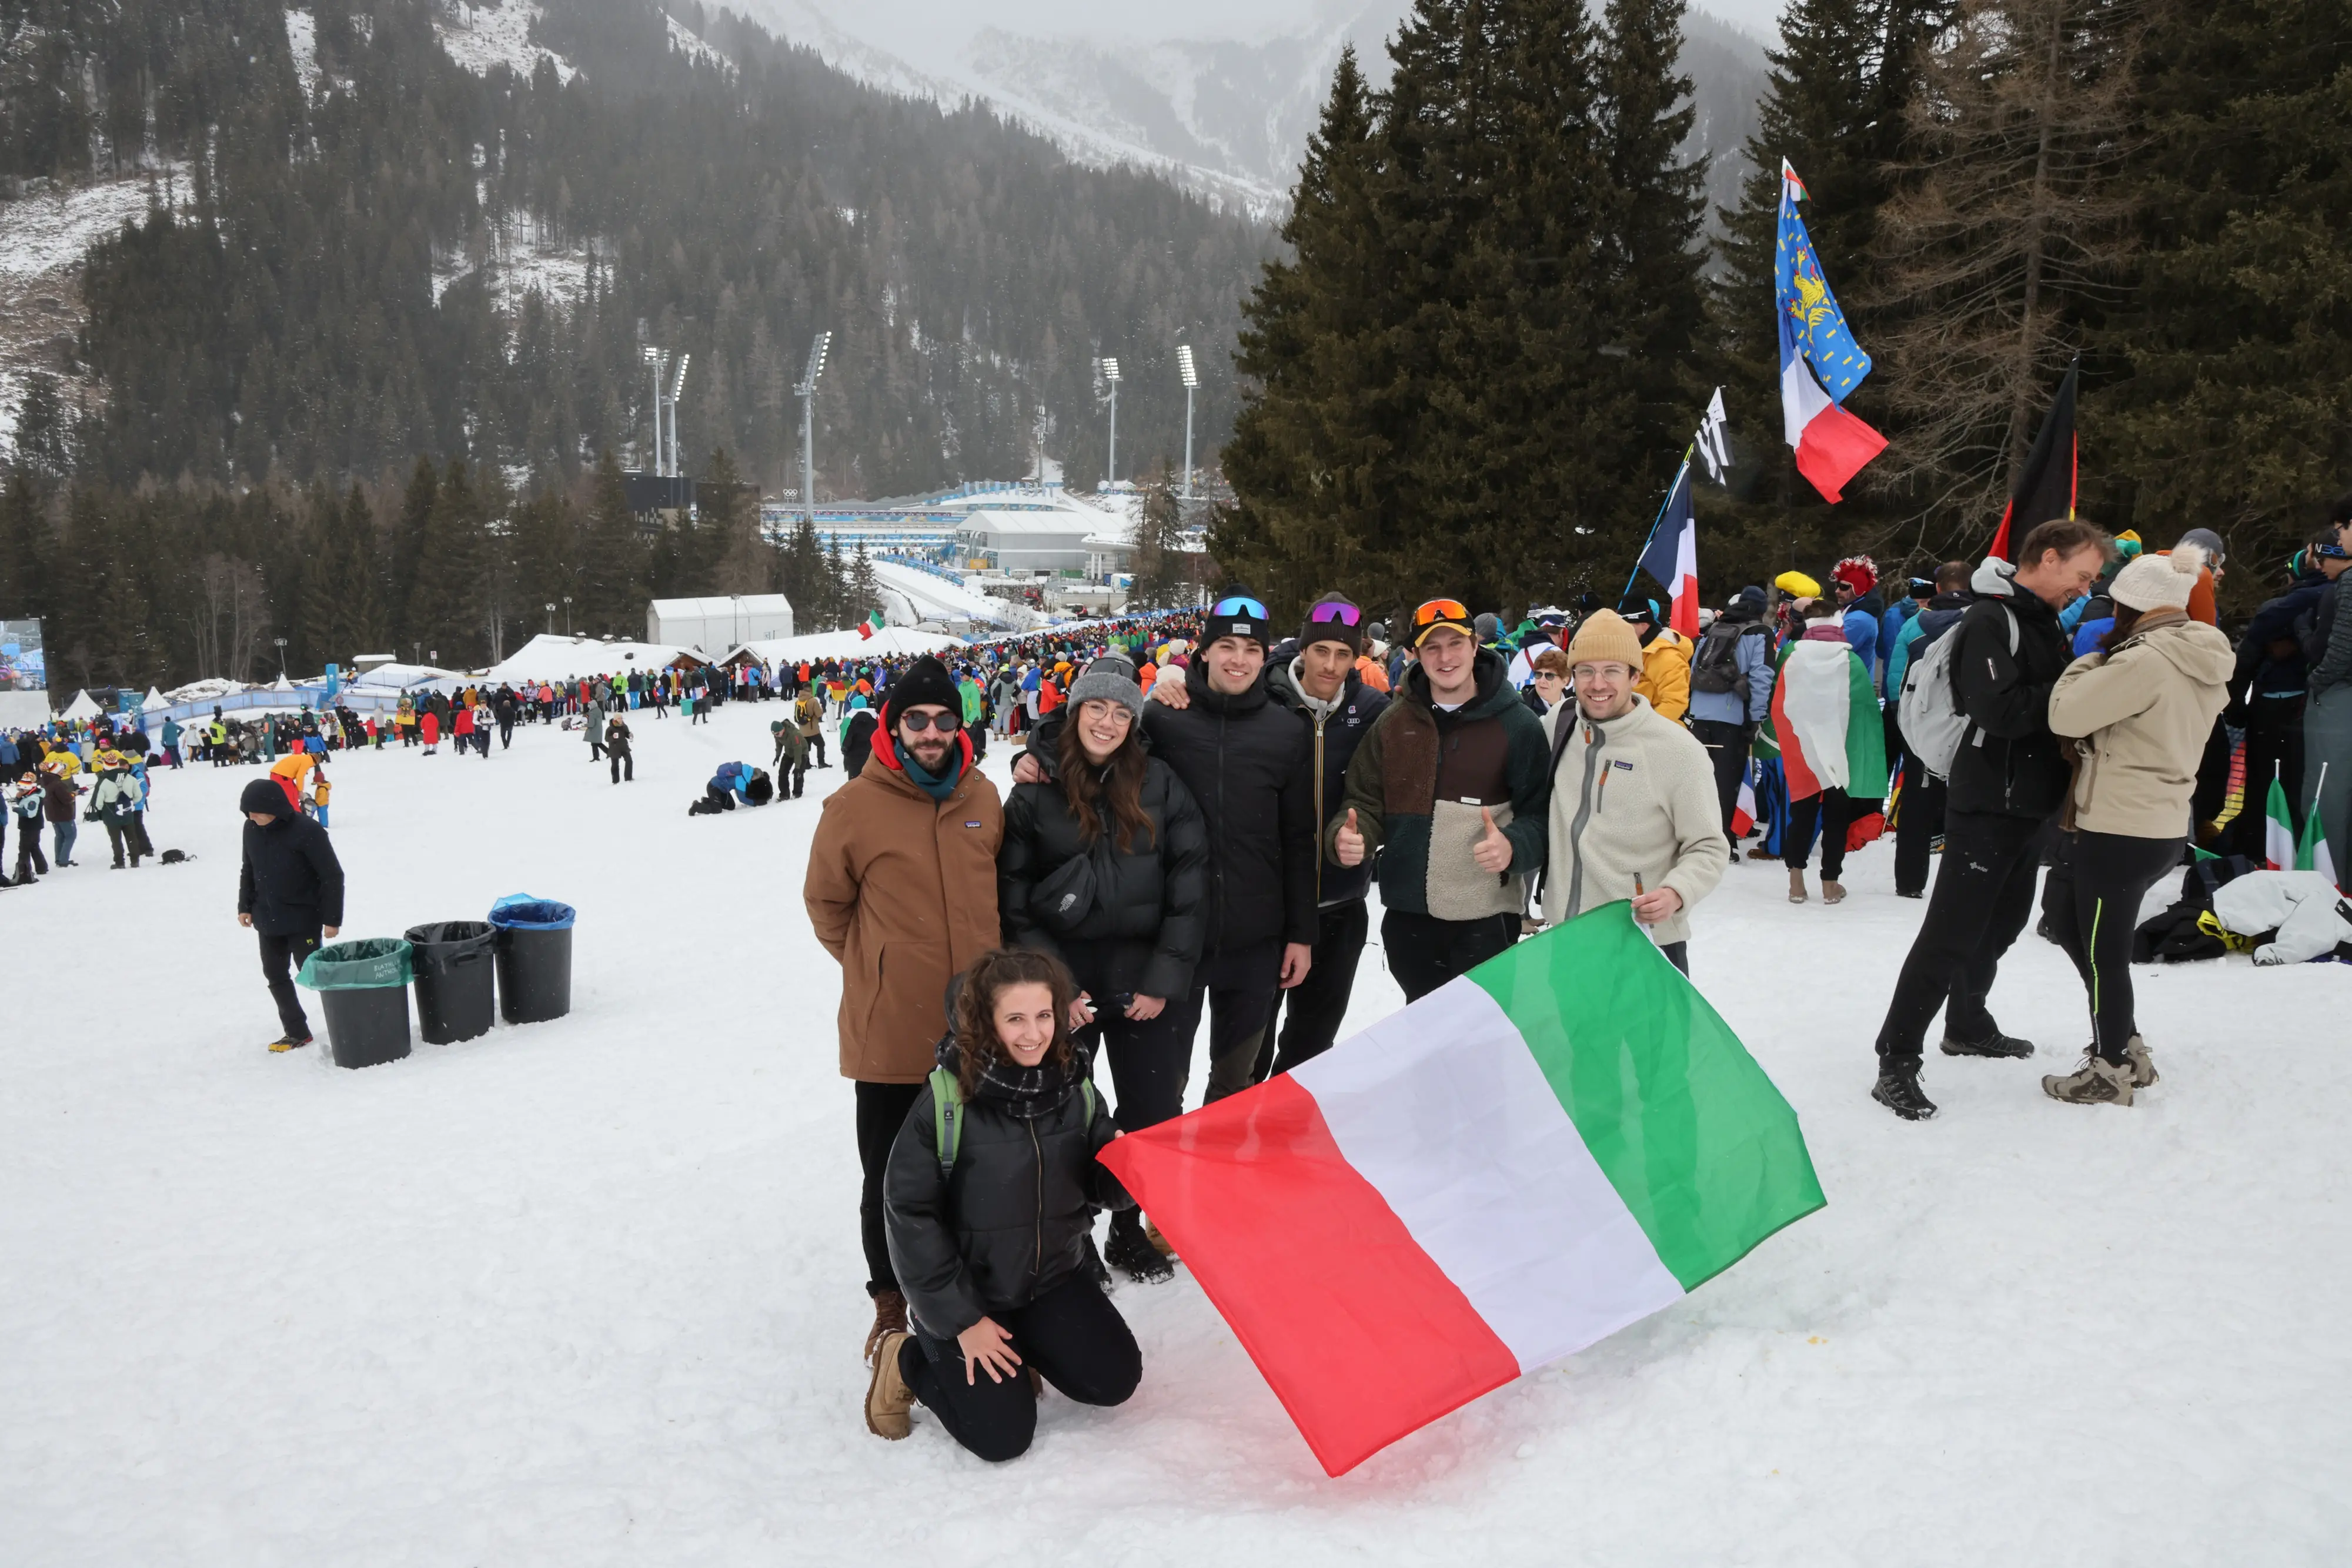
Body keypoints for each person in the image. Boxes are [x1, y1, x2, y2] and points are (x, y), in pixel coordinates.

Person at [1870, 519, 2113, 1121]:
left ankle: (1967, 1021)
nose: (2083, 589)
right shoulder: (1989, 618)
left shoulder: (2041, 618)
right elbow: (1997, 709)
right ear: (2048, 558)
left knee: (2002, 923)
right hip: (1986, 801)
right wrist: (2074, 686)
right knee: (1948, 935)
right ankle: (1895, 1059)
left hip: (2027, 802)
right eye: (2080, 575)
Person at [805, 655, 1005, 1368]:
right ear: (893, 725)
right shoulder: (854, 807)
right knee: (890, 1174)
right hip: (892, 1028)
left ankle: (969, 1285)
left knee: (976, 1167)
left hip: (978, 1029)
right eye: (915, 719)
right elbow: (827, 905)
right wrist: (874, 968)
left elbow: (1002, 896)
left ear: (960, 725)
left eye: (943, 719)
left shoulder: (983, 795)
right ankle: (890, 1299)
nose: (930, 731)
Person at [866, 948, 1142, 1456]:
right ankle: (907, 1359)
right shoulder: (948, 1101)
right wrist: (962, 1320)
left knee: (1114, 1379)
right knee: (1002, 1435)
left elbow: (1100, 1184)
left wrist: (1127, 1168)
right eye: (1015, 1018)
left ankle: (1023, 1344)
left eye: (1043, 1016)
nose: (1033, 1033)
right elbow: (910, 1214)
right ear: (987, 1023)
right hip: (968, 1294)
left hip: (1051, 1279)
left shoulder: (1074, 1083)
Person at [997, 656, 1207, 1281]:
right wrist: (1055, 988)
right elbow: (1012, 895)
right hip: (1069, 986)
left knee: (1151, 1111)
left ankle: (1126, 1227)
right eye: (1098, 707)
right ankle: (1074, 1237)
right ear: (1075, 711)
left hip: (1144, 983)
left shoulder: (1160, 783)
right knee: (1067, 1115)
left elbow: (1190, 884)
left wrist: (1160, 981)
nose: (1109, 722)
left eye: (1122, 711)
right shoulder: (1035, 790)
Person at [2037, 543, 2233, 1106]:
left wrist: (2089, 661)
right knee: (2065, 920)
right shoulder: (2197, 651)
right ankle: (2123, 1042)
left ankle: (2113, 1067)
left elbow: (2065, 712)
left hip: (2123, 826)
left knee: (2104, 952)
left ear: (2132, 605)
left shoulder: (2146, 659)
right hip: (2154, 822)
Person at [1331, 597, 1549, 1001]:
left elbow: (1541, 815)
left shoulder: (1517, 724)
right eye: (1432, 646)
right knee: (1425, 1044)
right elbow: (1363, 798)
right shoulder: (1393, 722)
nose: (1445, 657)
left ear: (1475, 645)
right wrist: (1350, 833)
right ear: (1414, 653)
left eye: (1455, 643)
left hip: (1485, 917)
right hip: (1409, 919)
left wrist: (1514, 845)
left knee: (1481, 1041)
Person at [1536, 610, 1726, 974]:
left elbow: (1708, 846)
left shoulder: (1676, 750)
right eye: (1586, 671)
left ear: (1635, 676)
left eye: (1612, 670)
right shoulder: (1560, 723)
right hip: (1568, 935)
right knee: (1575, 1033)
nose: (1597, 684)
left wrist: (1676, 893)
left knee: (1656, 1035)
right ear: (1572, 676)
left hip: (1644, 940)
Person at [1253, 596, 1391, 1076]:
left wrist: (1367, 835)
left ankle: (1286, 1140)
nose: (1330, 665)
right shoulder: (1260, 697)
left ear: (1357, 658)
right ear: (1303, 649)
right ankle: (1240, 1143)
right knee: (1247, 1050)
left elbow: (1382, 794)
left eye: (1343, 654)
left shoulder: (1373, 709)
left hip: (1338, 906)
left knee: (1310, 1052)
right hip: (1266, 910)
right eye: (1321, 651)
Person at [1770, 597, 1888, 905]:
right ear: (1838, 622)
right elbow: (1865, 713)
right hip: (1840, 750)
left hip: (1803, 749)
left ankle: (1796, 883)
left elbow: (1778, 702)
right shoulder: (1851, 661)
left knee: (1802, 814)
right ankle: (1830, 884)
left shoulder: (1791, 654)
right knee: (1836, 817)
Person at [1886, 562, 1976, 897]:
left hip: (1920, 727)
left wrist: (1903, 720)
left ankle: (1910, 881)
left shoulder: (1914, 624)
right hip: (1969, 726)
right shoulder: (1984, 620)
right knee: (1968, 802)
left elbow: (1896, 680)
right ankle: (1963, 882)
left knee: (1917, 801)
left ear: (1937, 588)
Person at [236, 777, 345, 1053]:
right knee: (275, 975)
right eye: (248, 812)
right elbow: (248, 868)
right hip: (267, 918)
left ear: (273, 807)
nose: (252, 817)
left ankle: (349, 1021)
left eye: (256, 811)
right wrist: (244, 905)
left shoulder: (308, 831)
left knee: (316, 974)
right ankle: (297, 1031)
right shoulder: (251, 829)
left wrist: (332, 919)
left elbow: (332, 876)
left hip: (302, 918)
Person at [1687, 586, 1776, 840]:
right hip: (1731, 715)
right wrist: (1756, 717)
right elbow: (1762, 677)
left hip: (1700, 713)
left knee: (1700, 778)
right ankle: (1722, 840)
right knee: (1726, 781)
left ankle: (1695, 835)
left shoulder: (1717, 627)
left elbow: (1695, 667)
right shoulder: (1760, 633)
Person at [1623, 602, 1691, 723]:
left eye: (1627, 627)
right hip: (1629, 728)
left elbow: (1675, 701)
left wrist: (1647, 727)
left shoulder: (1667, 657)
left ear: (1644, 626)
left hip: (1658, 733)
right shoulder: (1632, 651)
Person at [841, 696, 879, 778]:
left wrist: (844, 749)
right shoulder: (874, 718)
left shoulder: (851, 718)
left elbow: (846, 737)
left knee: (855, 780)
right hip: (871, 754)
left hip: (855, 757)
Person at [605, 714, 634, 784]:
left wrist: (630, 736)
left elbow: (627, 734)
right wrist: (612, 737)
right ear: (615, 720)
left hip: (624, 746)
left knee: (629, 761)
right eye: (619, 719)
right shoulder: (610, 729)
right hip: (614, 748)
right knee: (615, 765)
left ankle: (628, 777)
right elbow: (606, 739)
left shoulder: (624, 726)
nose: (621, 720)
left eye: (621, 718)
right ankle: (615, 781)